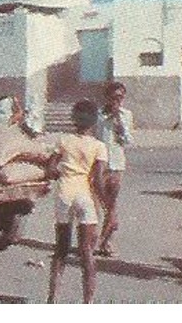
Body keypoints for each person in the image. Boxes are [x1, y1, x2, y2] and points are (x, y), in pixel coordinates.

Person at [47, 99, 107, 304]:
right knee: (86, 251)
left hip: (64, 193)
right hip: (84, 195)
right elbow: (98, 180)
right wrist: (107, 207)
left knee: (61, 248)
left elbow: (51, 169)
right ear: (95, 122)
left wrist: (61, 172)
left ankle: (52, 299)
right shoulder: (99, 146)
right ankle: (87, 302)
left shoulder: (63, 140)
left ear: (73, 119)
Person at [93, 83, 133, 258]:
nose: (117, 100)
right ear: (107, 97)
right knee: (97, 204)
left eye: (120, 97)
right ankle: (92, 239)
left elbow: (127, 141)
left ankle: (106, 241)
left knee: (112, 204)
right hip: (99, 165)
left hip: (116, 165)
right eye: (113, 97)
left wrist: (119, 122)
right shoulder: (98, 115)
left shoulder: (126, 115)